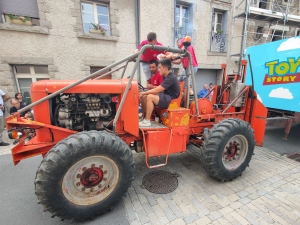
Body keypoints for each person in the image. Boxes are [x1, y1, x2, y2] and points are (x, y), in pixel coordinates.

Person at [139, 59, 180, 127]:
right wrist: (144, 93)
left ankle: (147, 120)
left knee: (149, 96)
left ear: (165, 68)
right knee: (145, 96)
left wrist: (144, 93)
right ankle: (144, 117)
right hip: (165, 96)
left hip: (171, 100)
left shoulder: (170, 78)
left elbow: (157, 90)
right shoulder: (165, 76)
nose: (159, 69)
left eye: (160, 67)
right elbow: (159, 89)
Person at [171, 38, 198, 106]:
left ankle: (186, 106)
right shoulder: (183, 50)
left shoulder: (185, 43)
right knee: (178, 82)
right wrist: (171, 61)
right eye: (178, 47)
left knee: (186, 86)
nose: (178, 47)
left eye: (178, 46)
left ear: (180, 41)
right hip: (186, 68)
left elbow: (179, 52)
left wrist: (170, 56)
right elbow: (179, 61)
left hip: (191, 67)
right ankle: (179, 100)